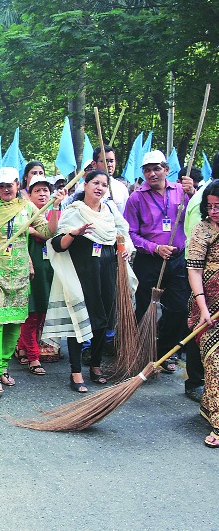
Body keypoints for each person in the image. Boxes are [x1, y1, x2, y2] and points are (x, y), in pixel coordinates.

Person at [0, 167, 64, 395]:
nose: (5, 190)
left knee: (14, 325)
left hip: (19, 275)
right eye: (0, 186)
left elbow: (48, 232)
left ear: (17, 184)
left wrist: (56, 208)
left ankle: (3, 368)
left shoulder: (27, 207)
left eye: (9, 185)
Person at [42, 170, 134, 392]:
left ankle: (95, 364)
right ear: (85, 184)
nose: (99, 187)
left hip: (107, 272)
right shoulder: (74, 212)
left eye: (104, 184)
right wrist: (75, 233)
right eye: (95, 183)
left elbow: (123, 235)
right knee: (78, 320)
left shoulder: (110, 211)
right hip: (81, 274)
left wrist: (125, 250)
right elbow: (56, 245)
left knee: (103, 321)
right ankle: (75, 372)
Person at [124, 150, 201, 386]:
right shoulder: (136, 198)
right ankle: (139, 354)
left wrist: (193, 193)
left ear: (166, 169)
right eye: (147, 169)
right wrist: (154, 248)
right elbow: (131, 233)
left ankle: (166, 352)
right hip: (150, 260)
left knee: (178, 309)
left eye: (157, 168)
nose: (152, 173)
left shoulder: (181, 190)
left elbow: (199, 214)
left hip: (178, 259)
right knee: (145, 308)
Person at [185, 180, 219, 446]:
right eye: (210, 207)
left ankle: (211, 408)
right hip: (207, 307)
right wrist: (204, 307)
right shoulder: (202, 230)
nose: (214, 211)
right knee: (215, 362)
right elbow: (194, 270)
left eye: (218, 206)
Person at [14, 176, 58, 370]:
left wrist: (35, 231)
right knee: (30, 313)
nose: (42, 194)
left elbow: (56, 234)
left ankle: (24, 347)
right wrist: (30, 231)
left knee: (42, 313)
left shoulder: (55, 213)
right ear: (29, 194)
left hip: (50, 269)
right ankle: (33, 357)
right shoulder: (23, 214)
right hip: (29, 268)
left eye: (45, 190)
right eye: (37, 191)